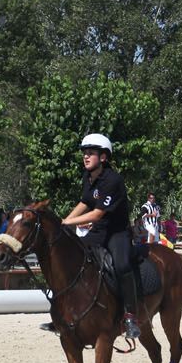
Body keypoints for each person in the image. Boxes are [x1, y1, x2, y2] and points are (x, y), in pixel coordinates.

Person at [57, 133, 141, 340]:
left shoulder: (112, 180)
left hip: (117, 233)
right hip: (98, 231)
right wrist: (63, 222)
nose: (85, 157)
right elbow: (85, 203)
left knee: (121, 266)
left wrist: (67, 223)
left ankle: (130, 316)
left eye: (91, 153)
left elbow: (96, 214)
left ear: (103, 157)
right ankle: (64, 312)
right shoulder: (88, 177)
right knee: (73, 260)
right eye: (84, 153)